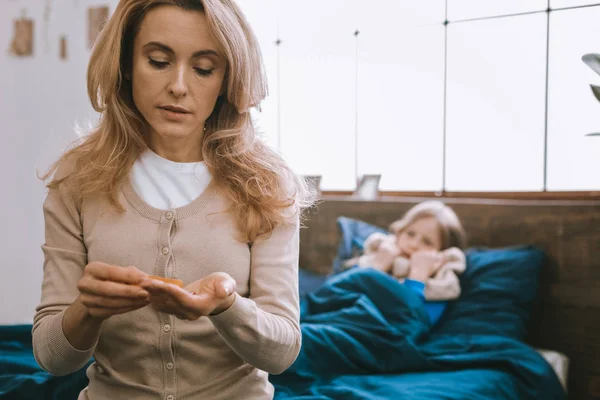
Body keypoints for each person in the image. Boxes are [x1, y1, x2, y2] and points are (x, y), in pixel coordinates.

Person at [32, 1, 314, 399]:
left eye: (203, 69)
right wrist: (88, 310)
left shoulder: (267, 186)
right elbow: (51, 356)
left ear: (226, 80)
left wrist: (225, 307)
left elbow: (283, 353)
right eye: (159, 61)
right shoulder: (76, 181)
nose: (179, 86)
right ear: (127, 65)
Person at [347, 201, 467, 325]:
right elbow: (340, 299)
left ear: (442, 255)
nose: (414, 244)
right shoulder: (369, 260)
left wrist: (417, 278)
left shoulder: (440, 288)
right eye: (410, 234)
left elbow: (406, 326)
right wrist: (377, 268)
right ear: (399, 232)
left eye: (427, 242)